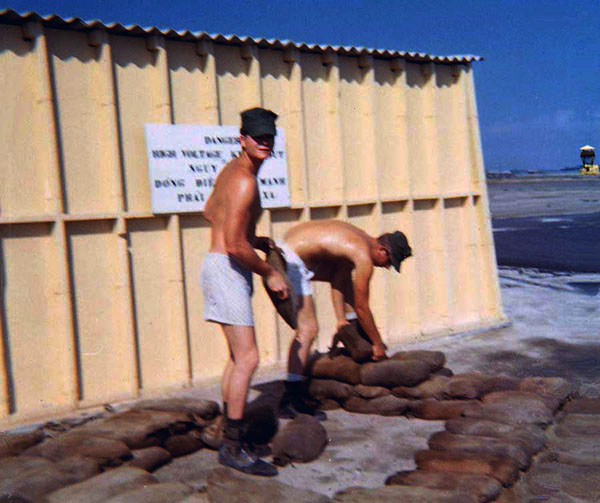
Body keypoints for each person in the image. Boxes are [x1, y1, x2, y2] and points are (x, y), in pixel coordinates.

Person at [200, 107, 289, 477]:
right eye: (257, 137)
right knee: (249, 359)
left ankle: (225, 431)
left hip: (217, 266)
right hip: (227, 269)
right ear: (243, 139)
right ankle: (233, 449)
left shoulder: (231, 171)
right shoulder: (245, 181)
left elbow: (209, 212)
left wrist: (255, 238)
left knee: (237, 358)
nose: (264, 143)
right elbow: (236, 246)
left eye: (269, 137)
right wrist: (270, 273)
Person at [276, 220, 412, 418]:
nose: (387, 267)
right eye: (390, 262)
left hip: (287, 251)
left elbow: (339, 276)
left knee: (342, 270)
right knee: (308, 329)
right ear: (383, 250)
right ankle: (291, 400)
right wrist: (377, 343)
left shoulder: (359, 238)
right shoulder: (363, 255)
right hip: (289, 260)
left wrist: (342, 320)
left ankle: (348, 324)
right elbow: (362, 307)